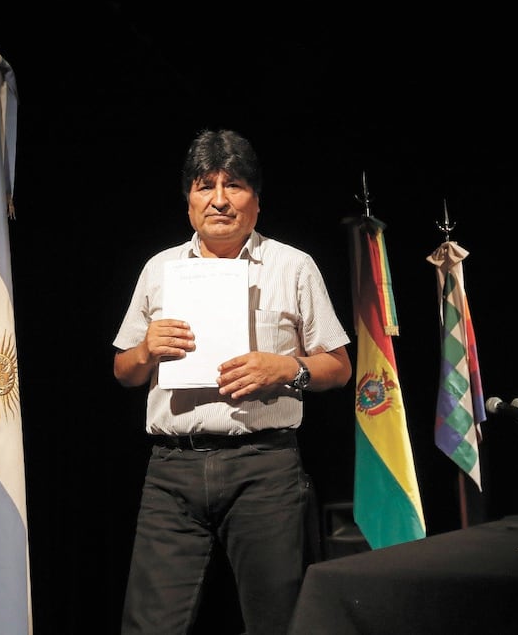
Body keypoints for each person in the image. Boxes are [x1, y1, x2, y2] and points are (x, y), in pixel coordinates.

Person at [113, 128, 352, 634]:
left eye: (234, 185)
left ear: (257, 201)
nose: (219, 199)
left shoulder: (293, 266)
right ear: (188, 202)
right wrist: (145, 349)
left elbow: (339, 366)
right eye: (205, 186)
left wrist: (290, 368)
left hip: (263, 468)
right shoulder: (159, 270)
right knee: (148, 624)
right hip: (171, 473)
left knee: (278, 621)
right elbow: (124, 371)